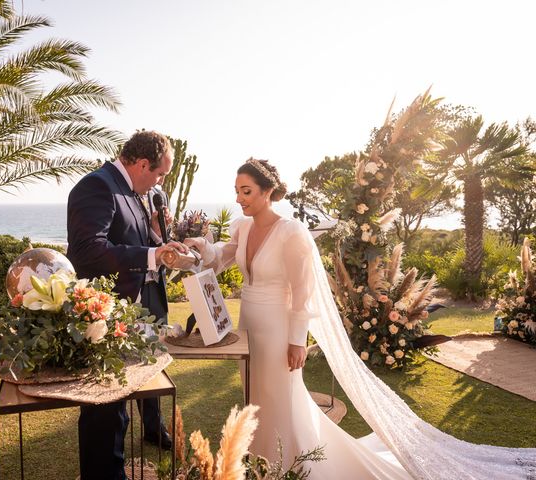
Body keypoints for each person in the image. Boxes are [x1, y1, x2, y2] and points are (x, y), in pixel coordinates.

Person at [185, 158, 536, 479]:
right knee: (254, 394)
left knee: (280, 396)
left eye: (246, 191)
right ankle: (257, 461)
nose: (240, 198)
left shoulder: (291, 233)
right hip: (249, 324)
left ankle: (292, 465)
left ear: (268, 191)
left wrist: (297, 340)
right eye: (237, 192)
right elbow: (221, 257)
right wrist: (198, 250)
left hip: (278, 328)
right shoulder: (242, 228)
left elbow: (303, 291)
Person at [66, 130, 188, 480]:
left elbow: (132, 240)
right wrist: (151, 255)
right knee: (104, 407)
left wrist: (160, 244)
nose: (160, 182)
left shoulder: (135, 192)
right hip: (102, 313)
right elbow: (88, 250)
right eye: (160, 174)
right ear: (142, 164)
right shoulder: (98, 186)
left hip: (127, 314)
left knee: (118, 403)